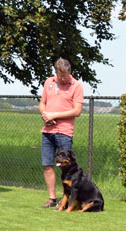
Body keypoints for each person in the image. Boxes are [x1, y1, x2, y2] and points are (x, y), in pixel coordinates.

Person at [38, 58, 84, 208]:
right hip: (47, 131)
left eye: (65, 75)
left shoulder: (76, 86)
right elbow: (42, 103)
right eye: (60, 75)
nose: (62, 78)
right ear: (56, 72)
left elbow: (77, 111)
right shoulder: (48, 82)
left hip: (64, 132)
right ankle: (52, 199)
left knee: (66, 168)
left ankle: (66, 202)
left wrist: (54, 115)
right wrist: (45, 114)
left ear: (70, 72)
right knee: (47, 165)